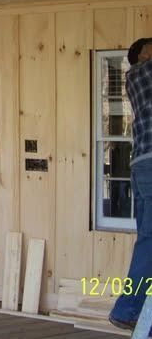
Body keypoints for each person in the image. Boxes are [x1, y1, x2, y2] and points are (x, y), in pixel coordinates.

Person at [109, 37, 152, 332]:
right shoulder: (143, 72)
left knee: (148, 238)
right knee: (150, 241)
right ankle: (127, 309)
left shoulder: (136, 77)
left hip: (143, 165)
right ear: (143, 54)